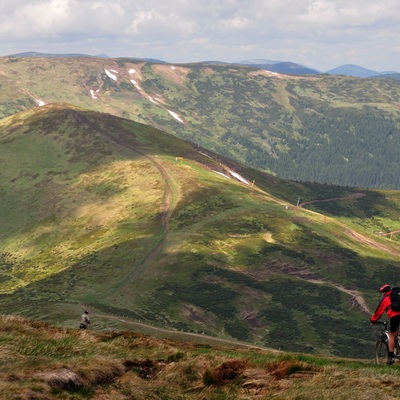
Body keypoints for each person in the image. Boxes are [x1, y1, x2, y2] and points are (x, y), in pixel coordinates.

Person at [370, 284, 400, 364]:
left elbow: (379, 312)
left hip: (395, 317)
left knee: (392, 336)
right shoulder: (397, 296)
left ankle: (391, 358)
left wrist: (373, 320)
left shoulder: (387, 298)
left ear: (383, 292)